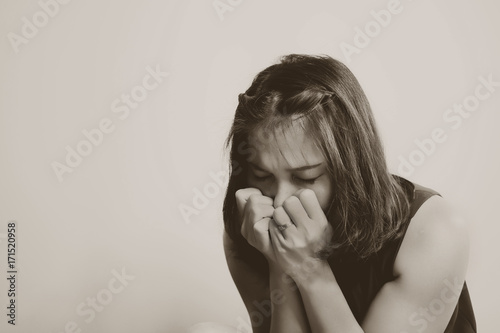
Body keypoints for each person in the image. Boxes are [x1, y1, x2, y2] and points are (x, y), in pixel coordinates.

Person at [221, 54, 476, 333]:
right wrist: (279, 264)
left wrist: (310, 268)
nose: (280, 201)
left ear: (349, 166)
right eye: (262, 175)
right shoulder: (249, 227)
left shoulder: (435, 229)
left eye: (305, 177)